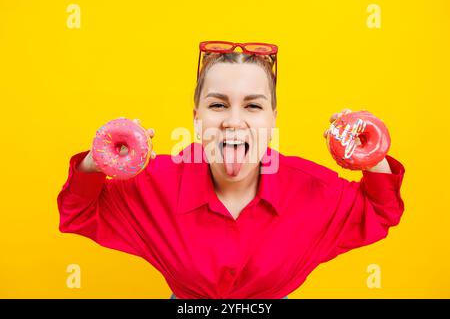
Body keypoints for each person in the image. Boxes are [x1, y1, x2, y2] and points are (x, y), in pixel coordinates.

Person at [57, 41, 405, 299]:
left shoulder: (311, 189)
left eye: (253, 106)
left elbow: (379, 210)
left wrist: (370, 152)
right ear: (197, 118)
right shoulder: (155, 183)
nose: (234, 122)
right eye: (218, 105)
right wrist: (98, 158)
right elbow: (79, 211)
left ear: (272, 119)